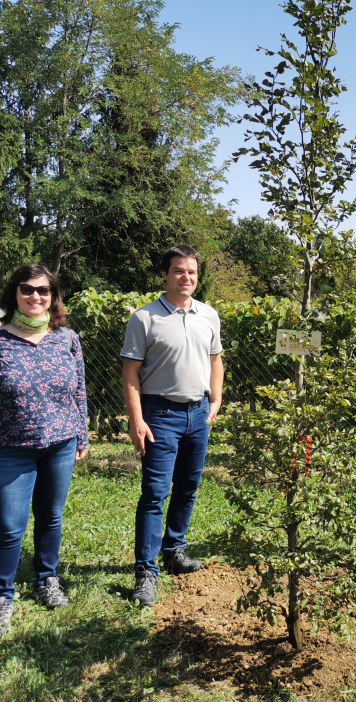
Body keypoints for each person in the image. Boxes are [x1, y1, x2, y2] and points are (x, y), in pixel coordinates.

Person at [0, 264, 89, 637]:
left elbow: (79, 391)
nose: (36, 297)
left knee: (51, 517)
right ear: (14, 294)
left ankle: (46, 579)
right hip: (10, 450)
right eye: (27, 289)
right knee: (9, 528)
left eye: (44, 291)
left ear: (53, 297)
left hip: (61, 445)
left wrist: (81, 434)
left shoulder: (67, 339)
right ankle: (1, 598)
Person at [121, 245, 223, 606]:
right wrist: (137, 420)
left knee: (188, 487)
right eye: (179, 271)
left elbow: (216, 360)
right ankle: (145, 572)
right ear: (165, 274)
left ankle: (174, 549)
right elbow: (130, 373)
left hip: (197, 415)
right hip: (159, 416)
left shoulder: (208, 315)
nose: (186, 277)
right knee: (154, 495)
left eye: (192, 272)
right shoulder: (144, 318)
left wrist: (216, 399)